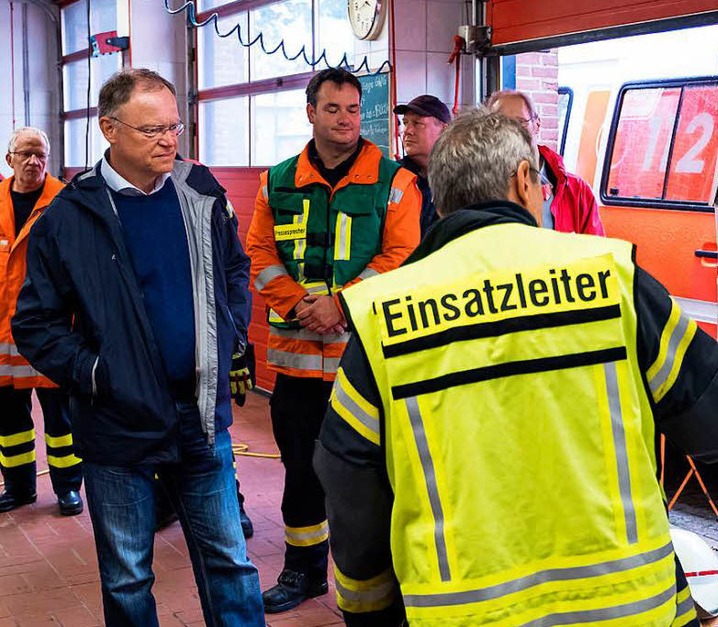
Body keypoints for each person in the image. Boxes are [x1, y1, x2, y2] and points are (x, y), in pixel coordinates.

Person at [313, 108, 718, 626]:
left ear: (441, 200)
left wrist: (369, 609)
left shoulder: (384, 312)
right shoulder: (609, 277)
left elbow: (348, 478)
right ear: (523, 180)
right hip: (626, 612)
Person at [12, 68, 264, 626]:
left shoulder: (200, 192)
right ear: (109, 129)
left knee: (231, 564)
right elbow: (35, 323)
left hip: (201, 416)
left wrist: (229, 332)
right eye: (152, 130)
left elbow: (234, 269)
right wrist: (98, 374)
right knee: (127, 577)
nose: (169, 140)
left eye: (174, 127)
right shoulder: (70, 216)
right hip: (117, 424)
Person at [246, 67, 421, 614]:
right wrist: (299, 303)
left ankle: (385, 581)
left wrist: (341, 305)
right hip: (296, 367)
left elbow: (402, 257)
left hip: (366, 366)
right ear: (310, 112)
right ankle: (303, 572)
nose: (345, 120)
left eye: (353, 109)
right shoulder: (276, 181)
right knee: (301, 474)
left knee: (377, 477)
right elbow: (259, 252)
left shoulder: (396, 182)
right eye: (332, 109)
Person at [0, 127, 83, 516]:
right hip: (4, 336)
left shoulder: (65, 202)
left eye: (41, 155)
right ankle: (19, 488)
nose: (34, 162)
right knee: (9, 421)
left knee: (61, 418)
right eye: (26, 154)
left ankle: (68, 488)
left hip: (53, 333)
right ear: (10, 159)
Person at [488, 89, 606, 236]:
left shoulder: (578, 193)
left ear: (537, 124)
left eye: (520, 122)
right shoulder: (480, 191)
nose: (512, 131)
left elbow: (596, 247)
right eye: (501, 124)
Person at [393, 94, 451, 236]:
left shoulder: (462, 177)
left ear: (444, 130)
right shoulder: (393, 175)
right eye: (405, 123)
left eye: (417, 123)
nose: (407, 131)